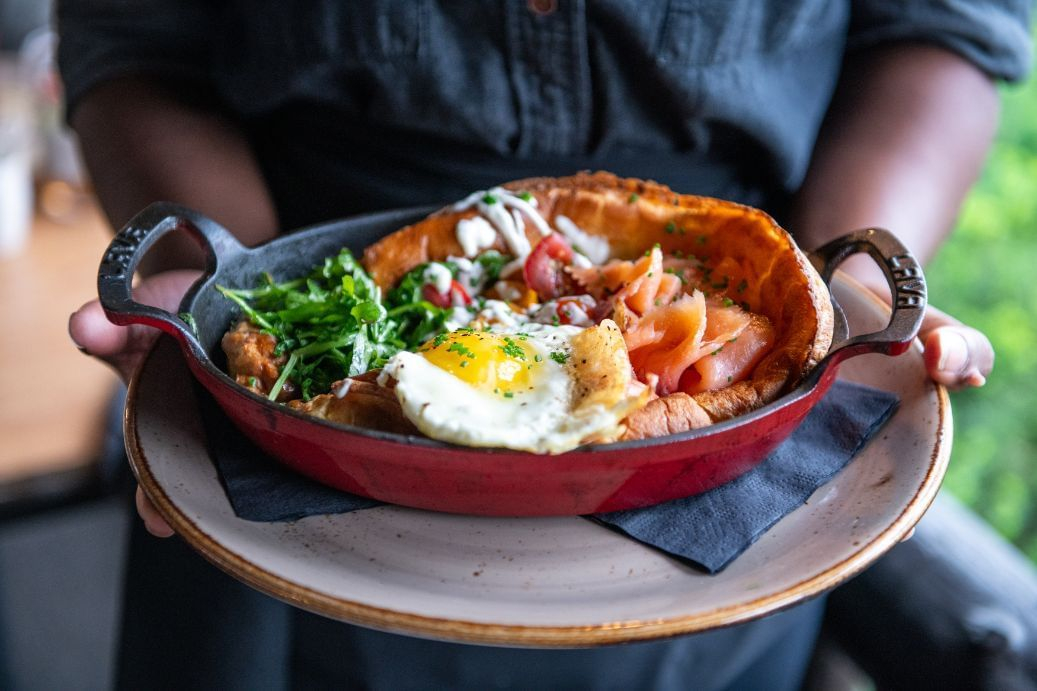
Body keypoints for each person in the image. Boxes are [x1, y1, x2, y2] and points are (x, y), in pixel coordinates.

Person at [59, 2, 1027, 689]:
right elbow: (134, 42)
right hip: (289, 488)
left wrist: (841, 285)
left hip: (720, 537)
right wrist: (234, 284)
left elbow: (939, 25)